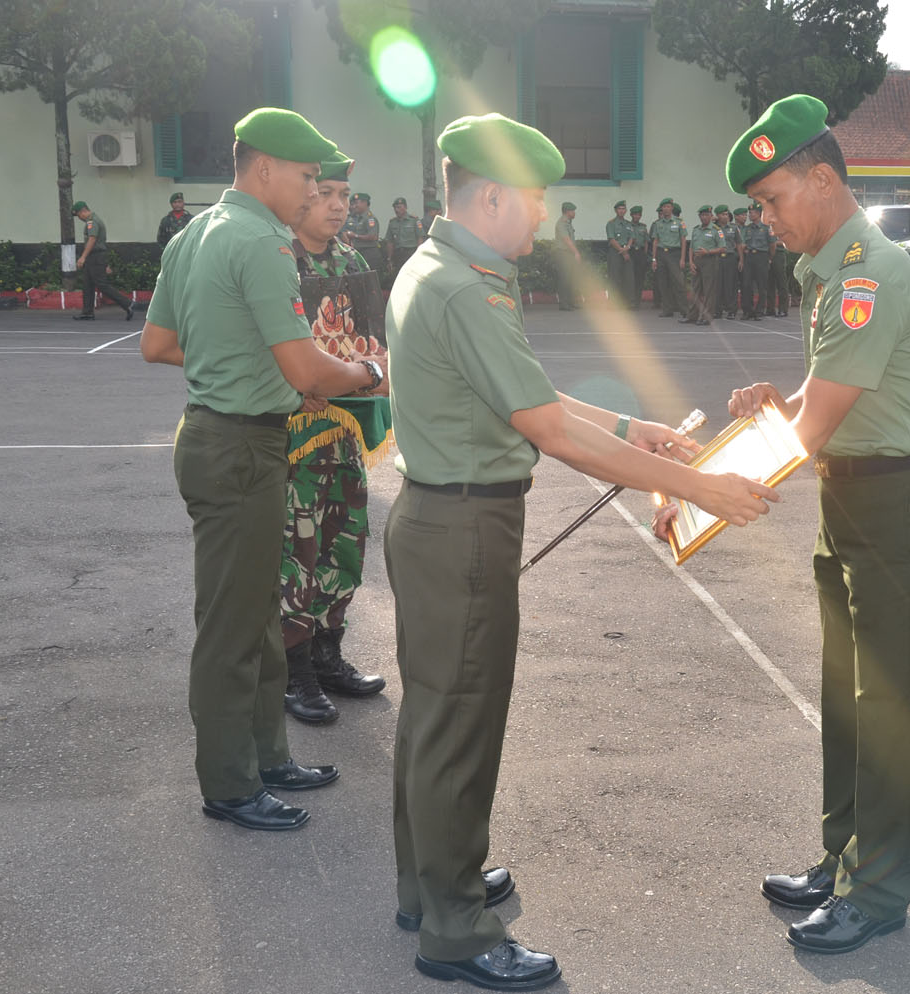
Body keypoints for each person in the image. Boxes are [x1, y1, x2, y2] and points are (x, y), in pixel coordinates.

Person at [384, 111, 779, 991]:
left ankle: (430, 880)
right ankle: (454, 926)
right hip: (462, 528)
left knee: (435, 713)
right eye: (533, 203)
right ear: (489, 197)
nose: (541, 222)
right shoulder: (466, 286)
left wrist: (632, 425)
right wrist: (700, 486)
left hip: (439, 519)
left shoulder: (443, 267)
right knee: (460, 718)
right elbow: (548, 426)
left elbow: (531, 392)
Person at [666, 93, 910, 956]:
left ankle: (879, 888)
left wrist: (706, 484)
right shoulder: (831, 271)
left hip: (898, 508)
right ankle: (842, 859)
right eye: (758, 206)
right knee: (847, 696)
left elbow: (814, 429)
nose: (765, 221)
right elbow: (817, 403)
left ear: (823, 179)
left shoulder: (867, 275)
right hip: (852, 503)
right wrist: (774, 405)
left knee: (890, 707)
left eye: (772, 200)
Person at [140, 108, 383, 831]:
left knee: (258, 610)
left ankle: (269, 757)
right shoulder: (265, 244)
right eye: (309, 177)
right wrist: (368, 371)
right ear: (265, 168)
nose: (315, 192)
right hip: (242, 447)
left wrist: (250, 363)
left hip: (223, 437)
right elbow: (308, 366)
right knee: (231, 624)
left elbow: (159, 343)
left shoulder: (194, 235)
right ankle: (230, 784)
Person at [279, 152, 390, 726]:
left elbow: (370, 337)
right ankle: (292, 669)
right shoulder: (276, 257)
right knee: (295, 550)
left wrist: (367, 371)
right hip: (290, 432)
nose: (338, 206)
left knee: (343, 539)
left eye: (344, 195)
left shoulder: (351, 259)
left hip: (341, 427)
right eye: (325, 192)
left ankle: (328, 654)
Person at [71, 200, 134, 321]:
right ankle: (87, 312)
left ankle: (127, 303)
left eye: (78, 215)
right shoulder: (93, 220)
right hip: (94, 256)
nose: (79, 218)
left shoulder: (92, 222)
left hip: (95, 256)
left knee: (101, 284)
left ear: (83, 211)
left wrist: (83, 257)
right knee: (87, 284)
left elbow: (92, 239)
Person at [688, 204, 725, 325]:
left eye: (707, 215)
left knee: (709, 291)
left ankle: (706, 317)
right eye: (702, 215)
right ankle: (692, 316)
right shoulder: (696, 229)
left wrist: (708, 251)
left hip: (709, 261)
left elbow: (723, 248)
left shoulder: (716, 230)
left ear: (711, 216)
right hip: (696, 261)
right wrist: (691, 262)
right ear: (699, 216)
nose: (704, 217)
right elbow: (691, 247)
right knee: (695, 289)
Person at [650, 198, 688, 318]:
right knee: (663, 283)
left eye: (668, 206)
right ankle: (667, 309)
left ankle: (684, 310)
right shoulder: (658, 223)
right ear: (662, 209)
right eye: (664, 207)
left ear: (672, 208)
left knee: (678, 282)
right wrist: (654, 259)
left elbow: (683, 241)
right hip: (661, 254)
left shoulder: (679, 222)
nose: (666, 209)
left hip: (674, 254)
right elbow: (655, 241)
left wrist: (682, 258)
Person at [741, 203, 772, 319]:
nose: (749, 215)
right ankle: (748, 311)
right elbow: (743, 243)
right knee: (746, 284)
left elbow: (772, 244)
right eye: (749, 212)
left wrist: (769, 257)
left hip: (762, 257)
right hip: (749, 257)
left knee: (761, 285)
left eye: (752, 212)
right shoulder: (747, 228)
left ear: (759, 214)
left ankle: (759, 311)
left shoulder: (766, 228)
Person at [383, 196, 423, 287]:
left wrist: (419, 254)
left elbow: (420, 238)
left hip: (411, 253)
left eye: (399, 207)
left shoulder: (414, 220)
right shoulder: (392, 222)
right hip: (398, 254)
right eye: (395, 208)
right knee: (399, 279)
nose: (397, 210)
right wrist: (389, 259)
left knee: (413, 278)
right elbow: (389, 241)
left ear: (405, 207)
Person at [339, 191, 382, 272]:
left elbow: (373, 236)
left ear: (364, 203)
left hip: (369, 253)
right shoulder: (356, 218)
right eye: (353, 204)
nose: (354, 206)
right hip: (359, 252)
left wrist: (355, 236)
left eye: (357, 203)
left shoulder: (370, 219)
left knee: (371, 279)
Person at [604, 199, 635, 306]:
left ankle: (628, 302)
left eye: (623, 209)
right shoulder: (611, 223)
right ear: (615, 210)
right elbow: (612, 239)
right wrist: (623, 252)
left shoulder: (628, 224)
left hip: (626, 251)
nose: (621, 211)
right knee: (615, 278)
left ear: (625, 211)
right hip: (615, 253)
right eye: (619, 209)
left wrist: (627, 247)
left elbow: (631, 237)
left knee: (628, 278)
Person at [553, 201, 581, 310]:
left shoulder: (568, 222)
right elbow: (567, 240)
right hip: (563, 253)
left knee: (571, 278)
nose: (574, 213)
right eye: (573, 211)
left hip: (568, 254)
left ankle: (571, 302)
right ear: (567, 211)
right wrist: (576, 252)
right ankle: (564, 304)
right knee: (564, 278)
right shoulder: (561, 223)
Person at [716, 204, 743, 318]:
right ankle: (717, 310)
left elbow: (739, 244)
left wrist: (741, 259)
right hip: (717, 258)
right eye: (723, 214)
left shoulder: (733, 228)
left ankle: (732, 310)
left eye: (727, 214)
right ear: (717, 216)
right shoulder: (713, 228)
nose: (725, 216)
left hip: (730, 258)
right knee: (717, 285)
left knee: (730, 285)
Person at [628, 205, 650, 310]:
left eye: (639, 214)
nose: (637, 216)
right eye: (635, 214)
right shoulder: (627, 226)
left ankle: (637, 301)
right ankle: (631, 300)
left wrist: (644, 255)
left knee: (639, 277)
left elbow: (646, 242)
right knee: (630, 277)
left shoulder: (643, 227)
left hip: (640, 253)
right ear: (631, 215)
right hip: (631, 252)